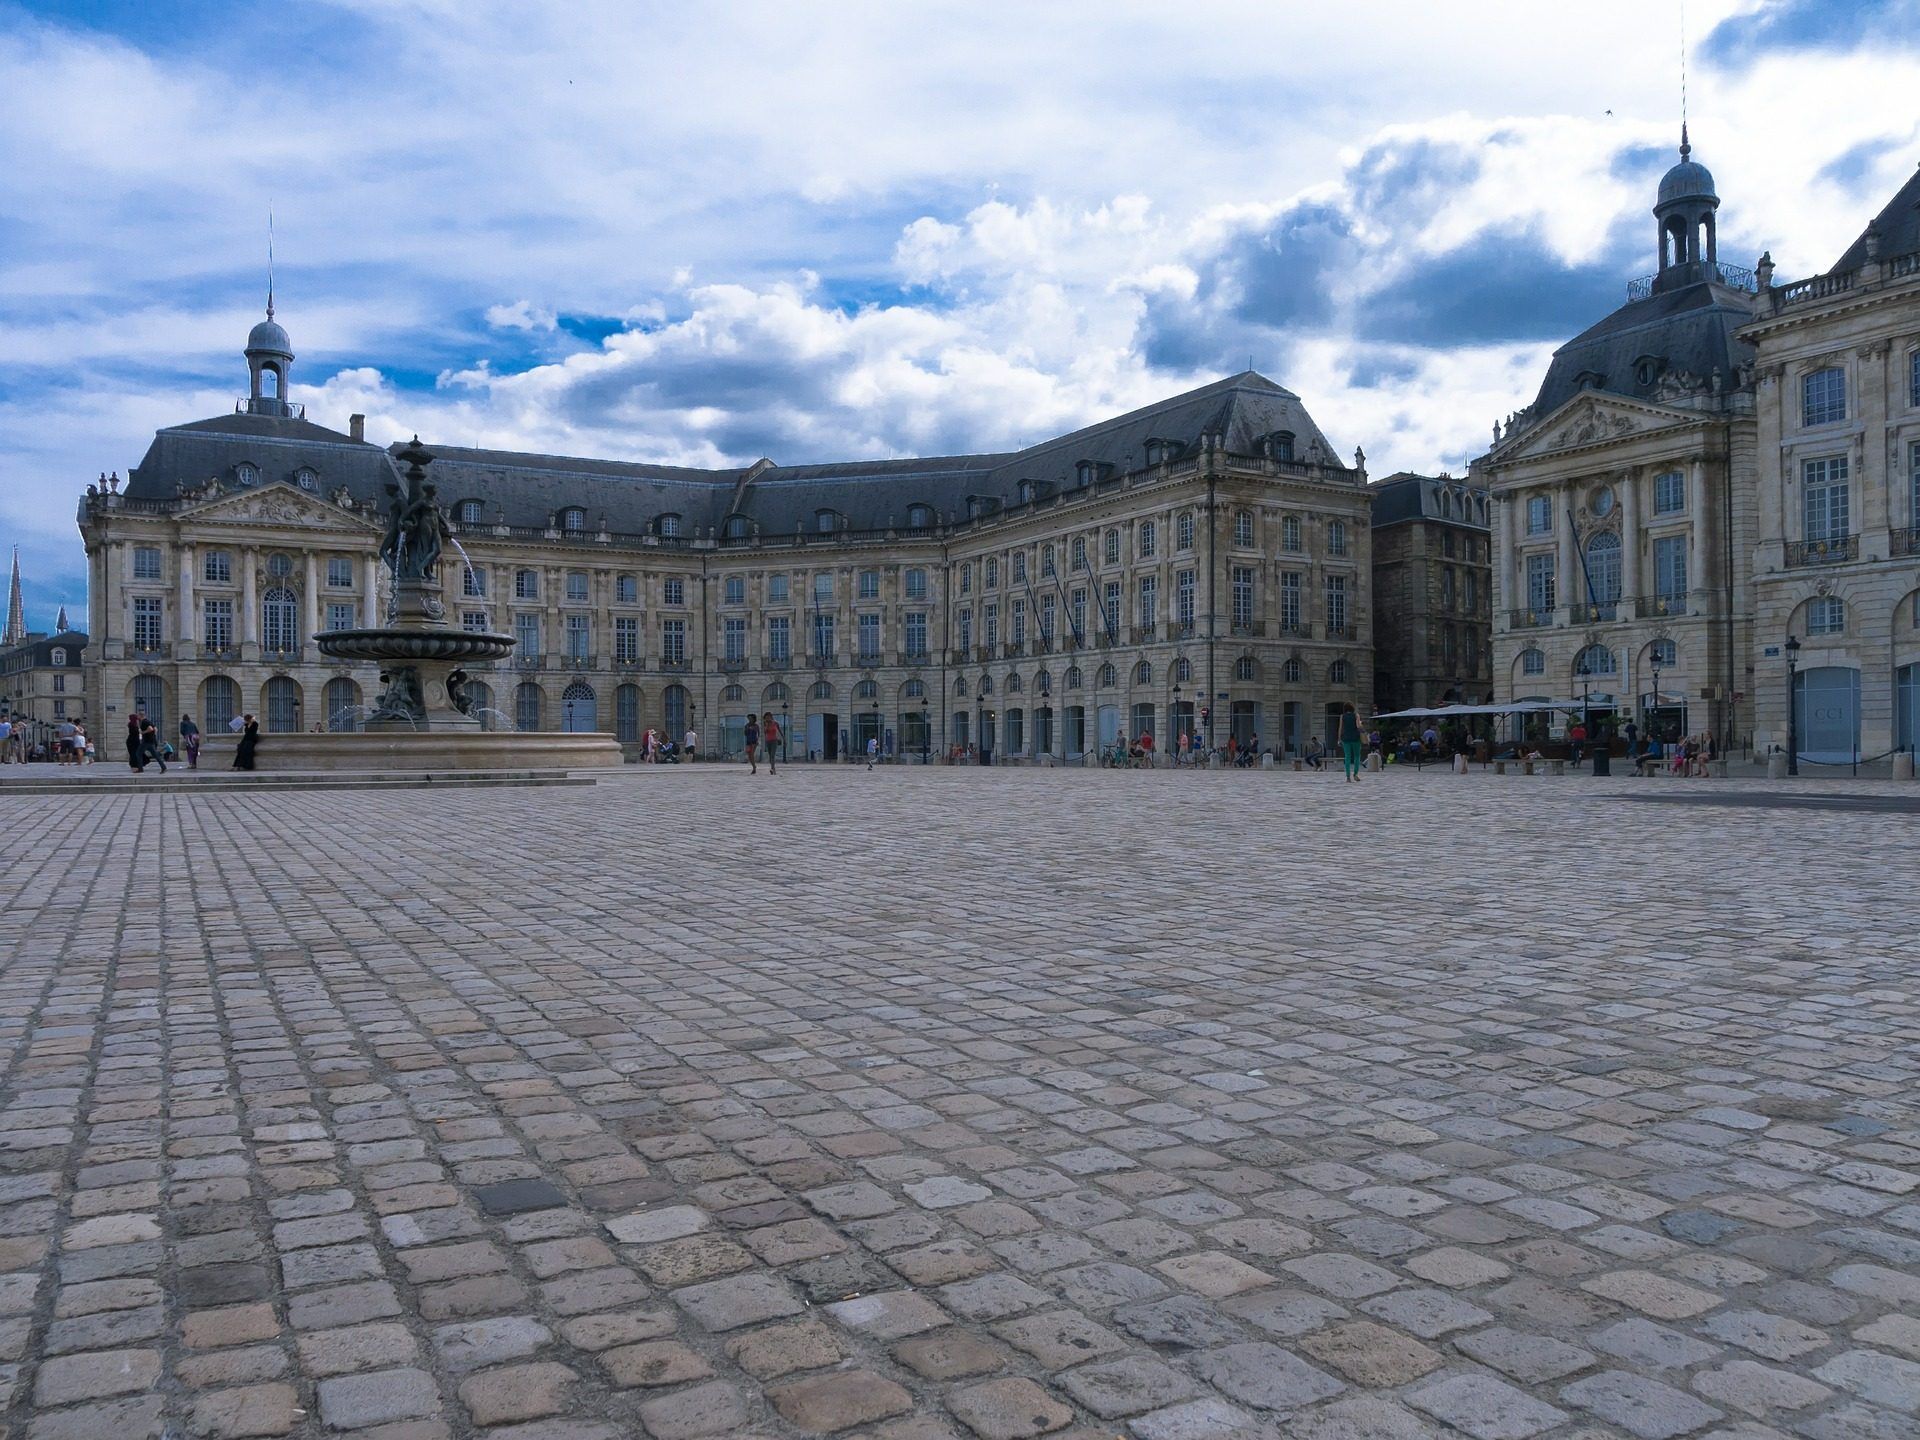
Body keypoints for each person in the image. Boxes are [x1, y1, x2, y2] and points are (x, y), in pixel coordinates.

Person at [1339, 702, 1363, 782]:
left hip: (1345, 738)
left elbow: (1340, 728)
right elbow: (1358, 726)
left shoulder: (1342, 716)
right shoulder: (1356, 715)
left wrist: (1339, 738)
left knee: (1347, 757)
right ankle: (1355, 774)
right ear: (1353, 708)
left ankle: (1348, 777)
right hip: (1356, 738)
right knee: (1356, 756)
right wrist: (1360, 723)